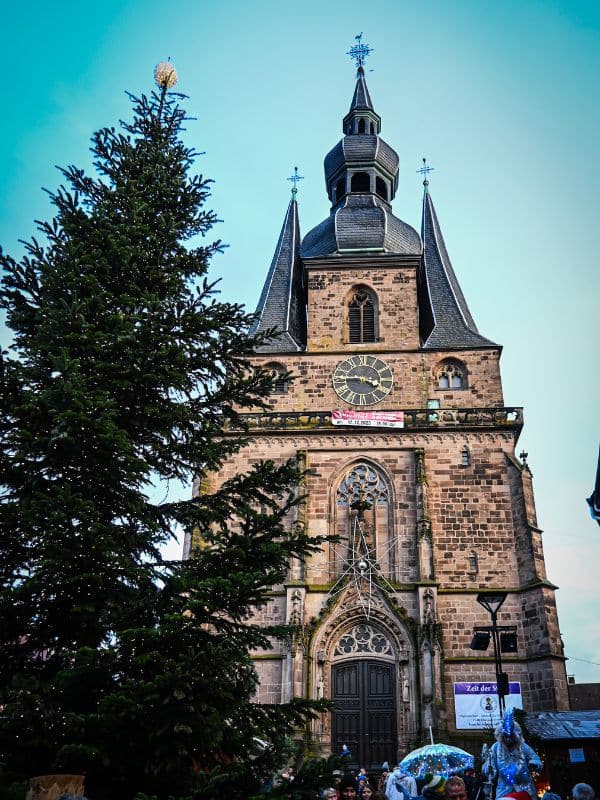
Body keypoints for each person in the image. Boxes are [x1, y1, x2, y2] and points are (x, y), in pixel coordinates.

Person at [484, 709, 542, 800]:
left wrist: (534, 763)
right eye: (505, 736)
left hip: (524, 788)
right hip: (504, 789)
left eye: (510, 736)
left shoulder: (523, 747)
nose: (508, 739)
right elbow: (490, 767)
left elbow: (536, 759)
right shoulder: (495, 748)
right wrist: (489, 769)